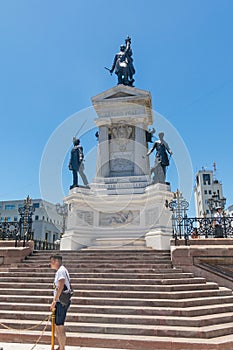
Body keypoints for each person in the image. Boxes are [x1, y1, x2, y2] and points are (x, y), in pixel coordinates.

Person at [50, 254, 71, 350]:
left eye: (52, 261)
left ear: (56, 261)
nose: (50, 264)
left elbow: (61, 285)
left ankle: (62, 348)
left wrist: (54, 300)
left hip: (60, 302)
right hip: (60, 301)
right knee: (57, 324)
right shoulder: (62, 270)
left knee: (59, 325)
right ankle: (60, 346)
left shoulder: (61, 271)